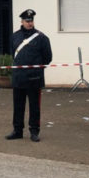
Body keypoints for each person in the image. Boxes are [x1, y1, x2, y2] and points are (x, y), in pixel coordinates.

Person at [5, 9, 52, 142]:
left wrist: (36, 68)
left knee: (34, 106)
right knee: (18, 105)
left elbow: (48, 57)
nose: (29, 23)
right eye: (27, 21)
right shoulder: (15, 37)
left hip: (34, 78)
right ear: (22, 21)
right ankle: (17, 130)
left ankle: (34, 131)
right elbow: (12, 53)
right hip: (19, 77)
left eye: (31, 21)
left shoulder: (41, 38)